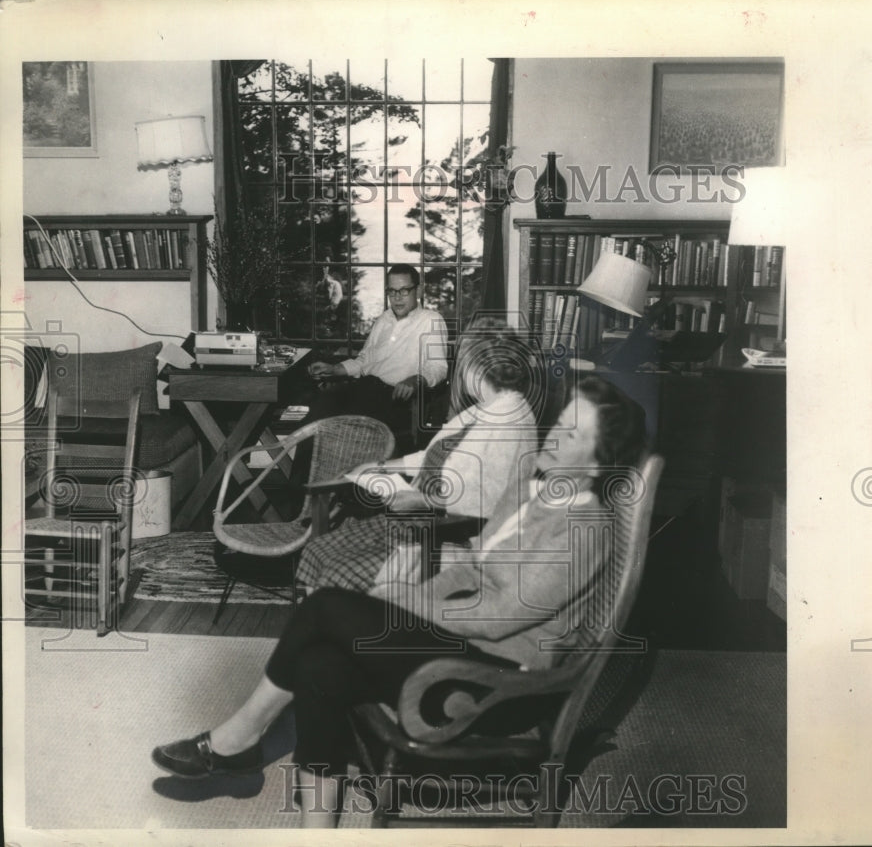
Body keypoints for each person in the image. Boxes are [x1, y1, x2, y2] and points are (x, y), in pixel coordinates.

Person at [152, 376, 648, 828]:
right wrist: (407, 595)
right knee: (320, 665)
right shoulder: (532, 489)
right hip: (462, 643)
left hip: (498, 684)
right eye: (560, 422)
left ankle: (238, 738)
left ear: (597, 463)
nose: (554, 435)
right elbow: (471, 564)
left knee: (325, 607)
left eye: (572, 433)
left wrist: (406, 608)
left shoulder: (585, 528)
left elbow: (501, 617)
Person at [295, 322, 539, 594]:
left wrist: (420, 500)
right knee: (318, 550)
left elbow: (490, 500)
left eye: (463, 363)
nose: (460, 371)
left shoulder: (508, 424)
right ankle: (326, 614)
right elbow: (434, 455)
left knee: (338, 568)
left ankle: (339, 616)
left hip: (445, 532)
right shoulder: (487, 408)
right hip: (419, 520)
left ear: (477, 367)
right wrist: (380, 466)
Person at [304, 264, 448, 433]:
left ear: (419, 291)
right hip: (364, 388)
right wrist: (333, 369)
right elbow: (364, 360)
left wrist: (416, 380)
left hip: (395, 399)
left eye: (404, 291)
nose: (397, 297)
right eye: (392, 291)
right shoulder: (384, 319)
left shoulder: (431, 320)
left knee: (335, 424)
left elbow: (438, 367)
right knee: (315, 412)